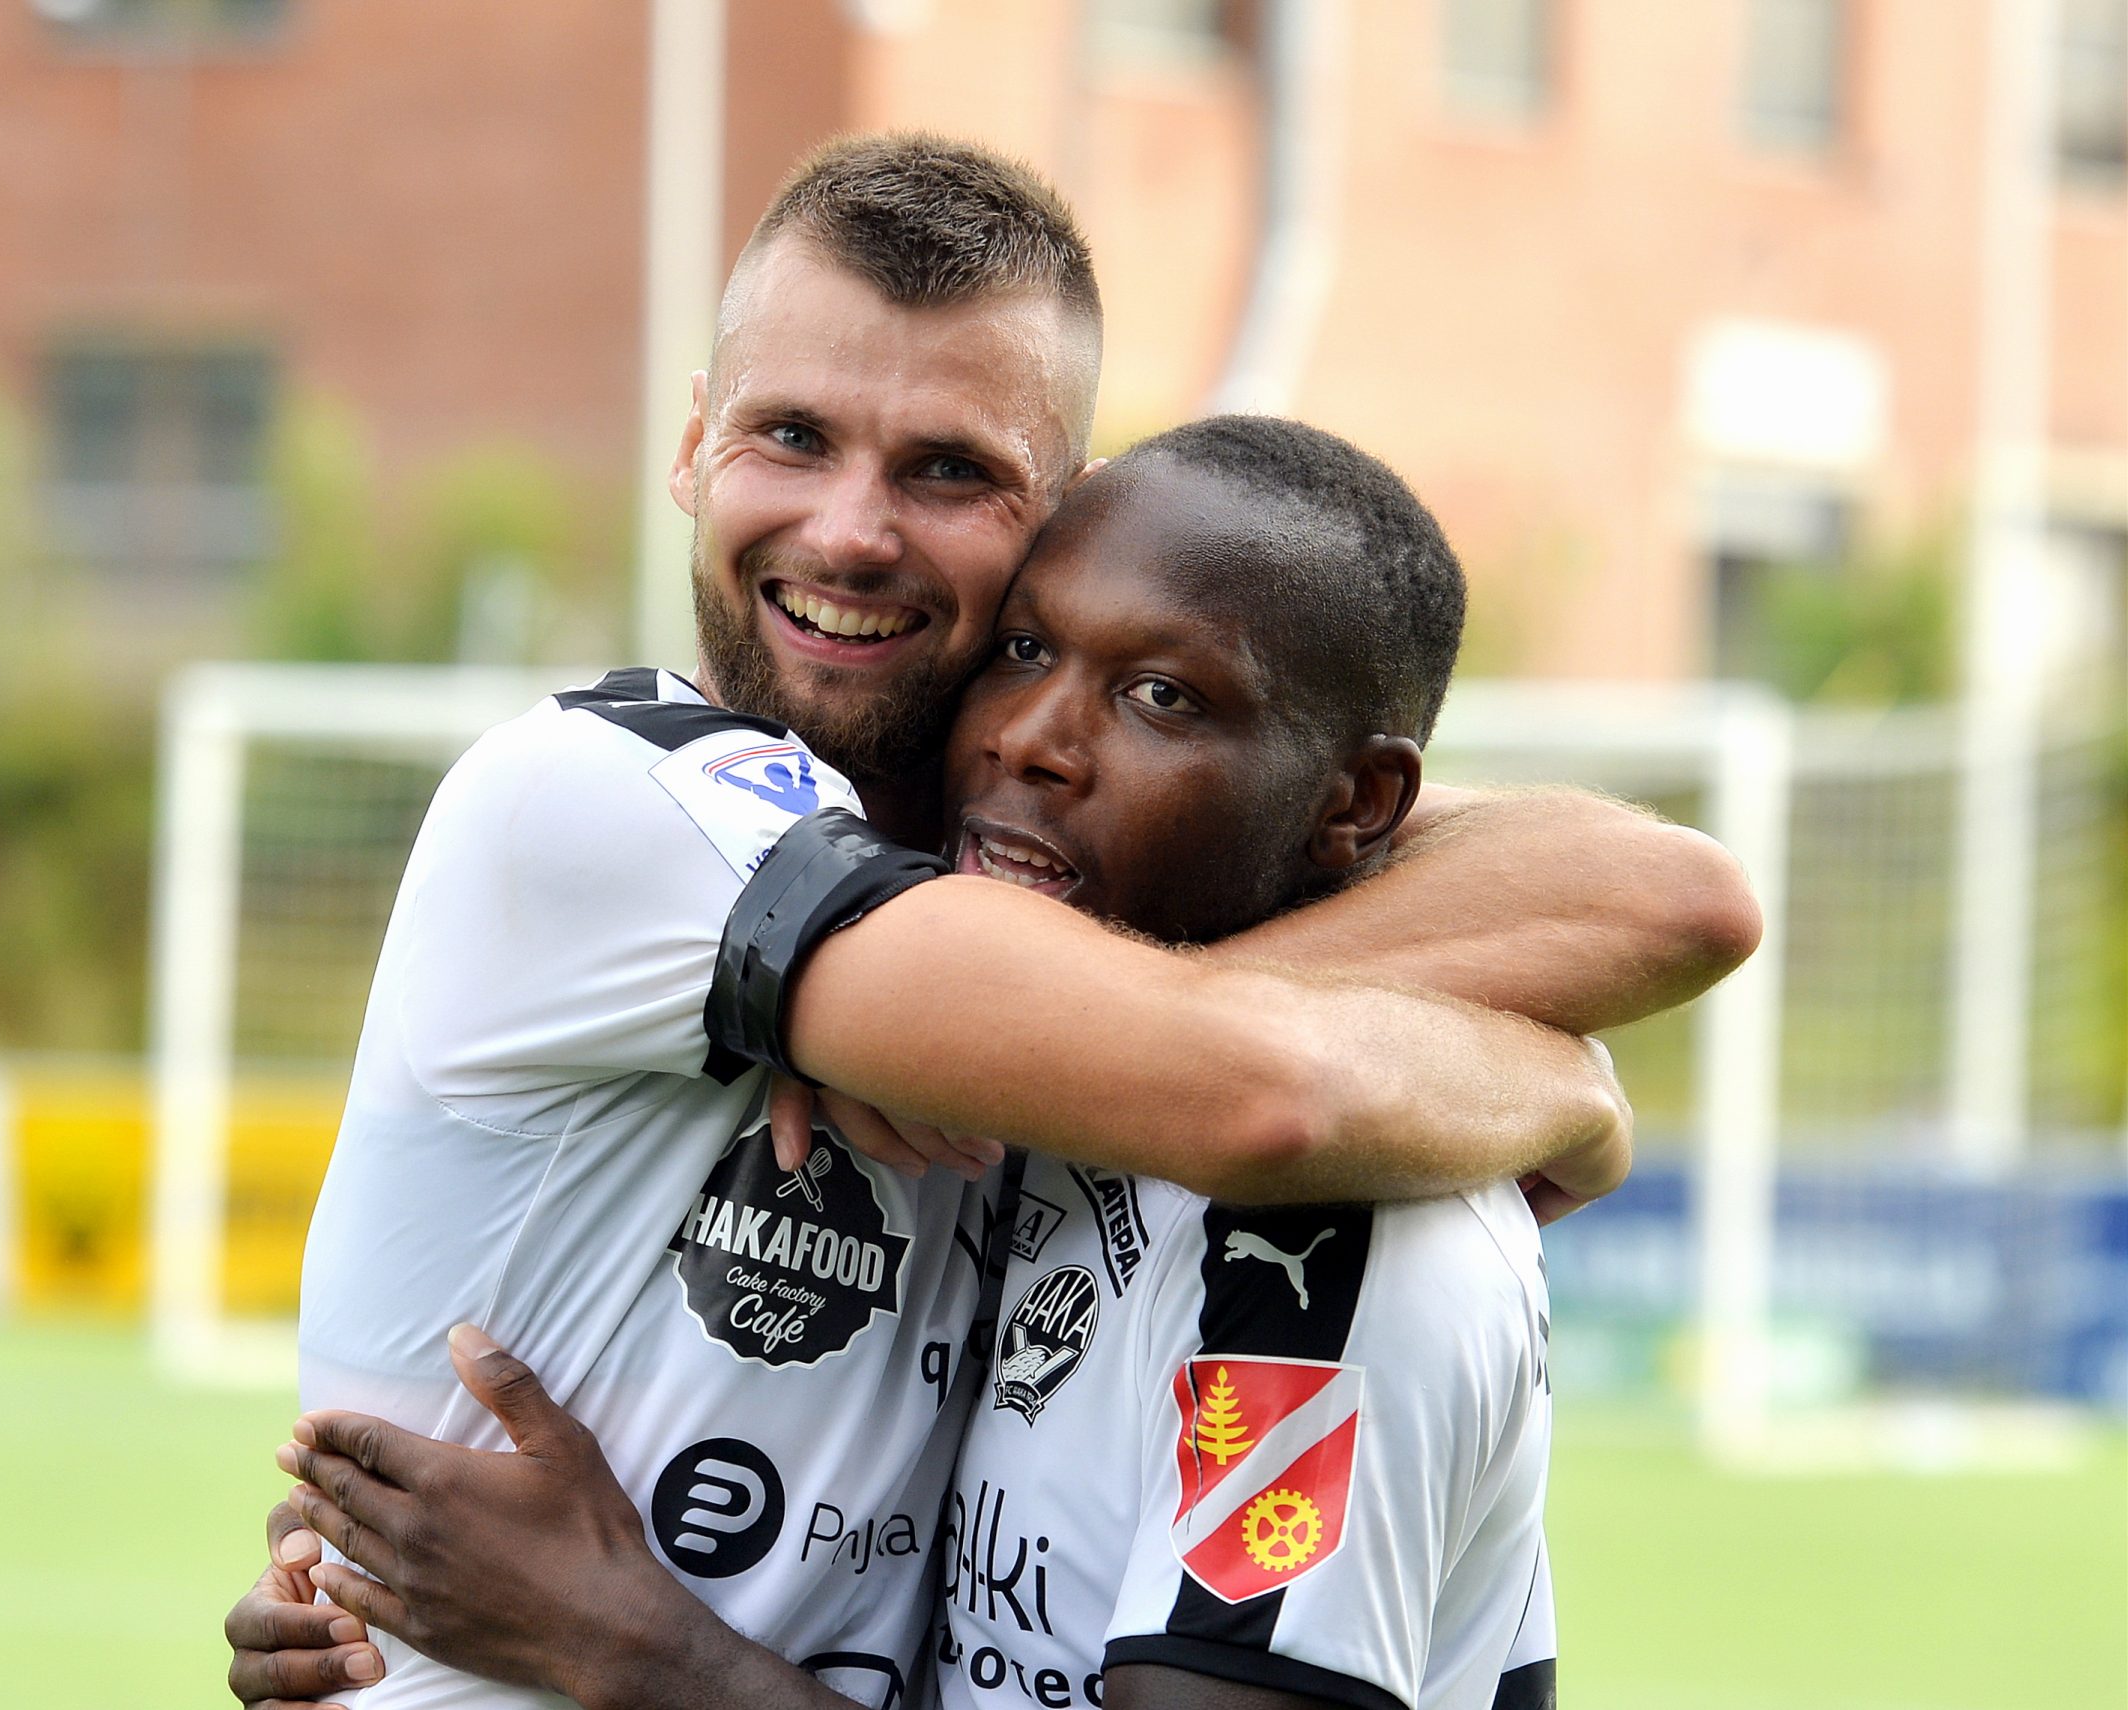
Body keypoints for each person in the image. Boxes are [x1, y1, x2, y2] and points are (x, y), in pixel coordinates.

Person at [231, 134, 1758, 1709]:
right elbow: (1262, 1087)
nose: (850, 531)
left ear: (1063, 520)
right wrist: (1554, 1083)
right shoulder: (598, 797)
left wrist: (634, 1644)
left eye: (948, 470)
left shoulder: (1044, 870)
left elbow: (1675, 893)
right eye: (790, 435)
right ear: (692, 444)